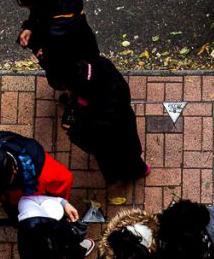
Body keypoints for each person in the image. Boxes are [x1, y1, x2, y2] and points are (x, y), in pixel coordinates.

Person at [56, 57, 149, 185]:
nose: (66, 91)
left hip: (112, 136)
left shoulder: (107, 108)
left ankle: (137, 171)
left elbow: (94, 132)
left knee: (122, 156)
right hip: (121, 121)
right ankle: (136, 168)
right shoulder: (98, 64)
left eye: (67, 89)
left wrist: (73, 130)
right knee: (126, 151)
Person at [8, 0, 100, 91]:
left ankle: (74, 95)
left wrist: (43, 51)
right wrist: (30, 26)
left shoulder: (57, 31)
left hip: (70, 57)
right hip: (82, 45)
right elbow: (41, 7)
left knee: (66, 81)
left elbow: (52, 57)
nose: (19, 0)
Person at [0, 131, 73, 229]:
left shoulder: (49, 175)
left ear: (14, 170)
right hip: (1, 195)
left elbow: (62, 189)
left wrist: (60, 206)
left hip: (29, 199)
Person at [17, 194, 97, 259]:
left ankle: (78, 249)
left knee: (75, 248)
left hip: (65, 239)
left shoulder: (29, 214)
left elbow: (27, 199)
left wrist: (63, 203)